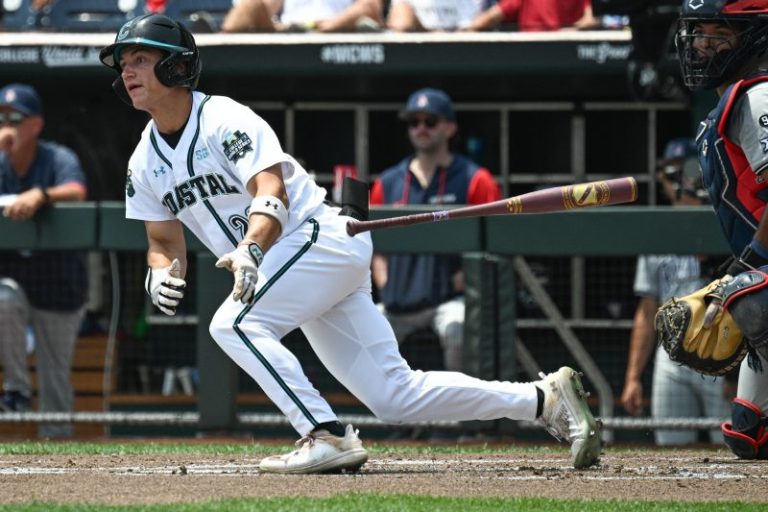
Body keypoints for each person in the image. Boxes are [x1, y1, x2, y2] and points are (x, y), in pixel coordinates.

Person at [100, 13, 601, 473]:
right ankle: (542, 399)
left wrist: (252, 248)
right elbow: (162, 238)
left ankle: (326, 435)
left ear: (176, 66)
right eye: (123, 64)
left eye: (140, 59)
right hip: (291, 267)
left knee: (233, 323)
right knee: (394, 396)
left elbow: (270, 193)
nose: (128, 72)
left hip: (314, 240)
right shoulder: (143, 161)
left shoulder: (225, 119)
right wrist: (163, 271)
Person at [676, 0, 768, 458]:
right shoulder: (726, 106)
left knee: (752, 295)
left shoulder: (759, 96)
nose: (703, 45)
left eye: (720, 33)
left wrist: (749, 262)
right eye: (699, 32)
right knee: (749, 436)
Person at [370, 88, 500, 375]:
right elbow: (372, 242)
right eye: (414, 122)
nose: (421, 128)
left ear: (450, 128)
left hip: (449, 300)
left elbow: (495, 240)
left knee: (458, 329)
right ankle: (383, 417)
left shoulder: (475, 179)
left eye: (430, 121)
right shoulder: (387, 182)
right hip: (397, 301)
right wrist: (384, 279)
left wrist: (466, 277)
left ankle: (458, 415)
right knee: (363, 335)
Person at [620, 137, 731, 445]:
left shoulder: (723, 218)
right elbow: (646, 310)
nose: (675, 179)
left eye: (681, 171)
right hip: (671, 355)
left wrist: (735, 373)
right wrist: (632, 376)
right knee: (669, 446)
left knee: (731, 445)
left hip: (718, 351)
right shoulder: (657, 231)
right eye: (669, 172)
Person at [0, 83, 88, 438]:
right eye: (1, 118)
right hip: (16, 278)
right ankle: (17, 390)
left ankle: (60, 450)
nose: (8, 126)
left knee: (55, 376)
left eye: (15, 119)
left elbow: (77, 191)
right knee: (2, 300)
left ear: (35, 124)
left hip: (60, 284)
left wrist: (41, 194)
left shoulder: (56, 158)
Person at [220, 0, 384, 33]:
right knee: (249, 4)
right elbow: (264, 5)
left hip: (338, 31)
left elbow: (371, 6)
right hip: (288, 32)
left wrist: (332, 24)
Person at [465, 0, 598, 32]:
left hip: (533, 51)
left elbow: (492, 16)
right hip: (564, 54)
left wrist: (465, 31)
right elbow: (588, 21)